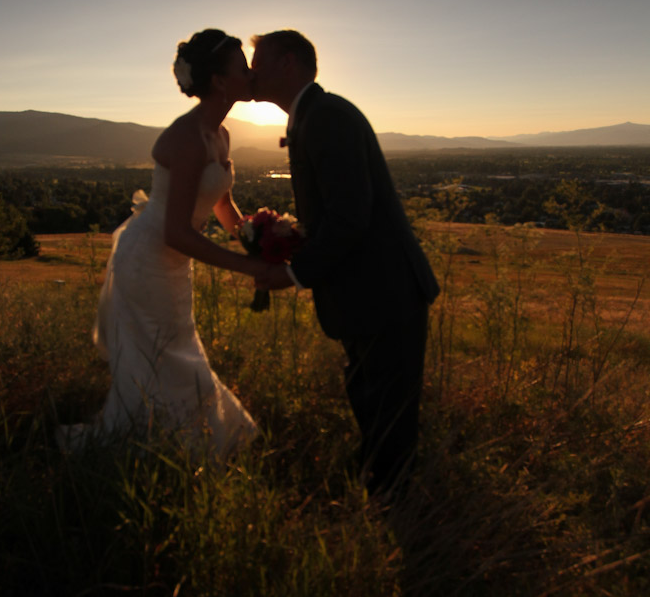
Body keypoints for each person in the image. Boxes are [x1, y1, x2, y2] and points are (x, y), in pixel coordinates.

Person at [58, 29, 267, 460]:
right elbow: (177, 232)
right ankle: (150, 446)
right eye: (241, 66)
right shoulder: (188, 137)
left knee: (173, 351)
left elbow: (222, 204)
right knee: (162, 357)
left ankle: (166, 442)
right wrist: (252, 269)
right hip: (151, 257)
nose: (251, 73)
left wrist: (255, 235)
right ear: (219, 81)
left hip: (173, 262)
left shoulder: (220, 135)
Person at [250, 29, 440, 498]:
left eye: (259, 62)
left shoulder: (326, 117)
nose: (252, 73)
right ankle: (380, 503)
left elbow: (350, 216)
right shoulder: (314, 116)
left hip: (385, 295)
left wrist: (292, 272)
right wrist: (295, 239)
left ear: (288, 63)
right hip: (367, 296)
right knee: (373, 407)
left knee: (390, 420)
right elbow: (339, 213)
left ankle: (396, 518)